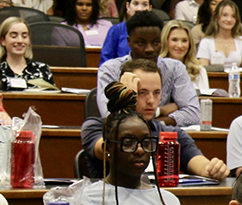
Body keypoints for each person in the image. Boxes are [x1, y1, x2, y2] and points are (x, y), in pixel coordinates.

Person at [74, 82, 192, 205]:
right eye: (128, 142)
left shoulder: (169, 201)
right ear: (107, 150)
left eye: (146, 143)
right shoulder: (88, 200)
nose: (139, 150)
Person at [81, 59, 227, 180]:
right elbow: (110, 150)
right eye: (141, 93)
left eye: (156, 93)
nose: (151, 100)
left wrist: (214, 169)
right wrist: (125, 103)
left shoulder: (171, 134)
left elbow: (201, 166)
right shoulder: (95, 127)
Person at [97, 11, 201, 127]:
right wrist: (165, 111)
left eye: (156, 42)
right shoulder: (111, 69)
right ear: (129, 42)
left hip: (164, 137)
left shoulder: (175, 68)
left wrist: (157, 119)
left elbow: (193, 115)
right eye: (141, 43)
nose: (149, 49)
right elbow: (111, 116)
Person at [0, 18, 54, 91]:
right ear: (2, 41)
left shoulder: (43, 70)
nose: (20, 41)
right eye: (14, 36)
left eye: (24, 36)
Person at [99, 0, 152, 64]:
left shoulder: (157, 31)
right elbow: (105, 62)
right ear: (128, 6)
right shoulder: (116, 30)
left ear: (150, 8)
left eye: (145, 5)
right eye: (135, 4)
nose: (140, 9)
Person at [197, 0, 242, 68]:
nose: (229, 19)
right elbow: (203, 70)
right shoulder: (206, 42)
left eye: (233, 16)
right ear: (216, 18)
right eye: (225, 15)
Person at [162, 20, 209, 94]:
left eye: (184, 41)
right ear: (165, 41)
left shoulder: (199, 71)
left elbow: (205, 99)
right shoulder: (157, 69)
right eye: (174, 40)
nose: (180, 45)